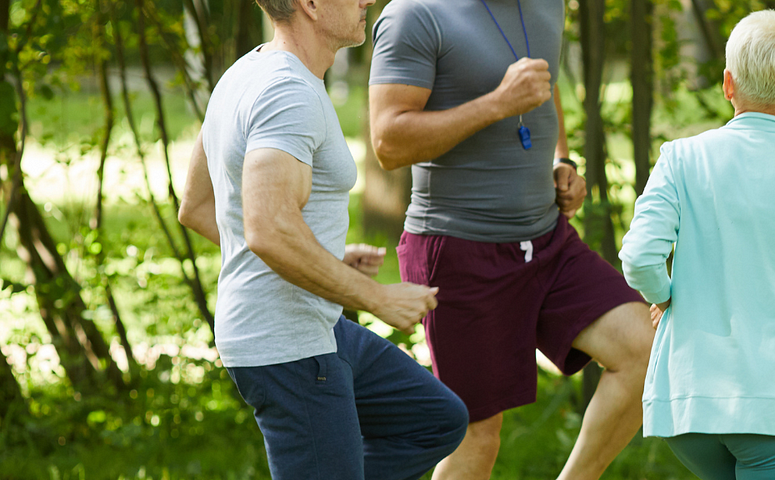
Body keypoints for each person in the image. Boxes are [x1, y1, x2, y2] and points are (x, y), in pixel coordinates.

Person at [176, 0, 469, 477]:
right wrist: (377, 298)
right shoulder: (287, 93)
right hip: (288, 346)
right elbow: (268, 228)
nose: (367, 1)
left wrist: (323, 258)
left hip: (315, 325)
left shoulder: (246, 72)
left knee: (434, 418)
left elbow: (198, 206)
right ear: (309, 4)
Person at [365, 0, 655, 478]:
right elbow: (389, 142)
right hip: (457, 248)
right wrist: (498, 104)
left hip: (547, 241)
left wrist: (563, 161)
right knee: (477, 435)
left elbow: (543, 83)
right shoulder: (413, 14)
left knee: (644, 351)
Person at [619, 11, 775, 480]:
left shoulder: (681, 158)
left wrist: (665, 295)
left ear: (727, 84)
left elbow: (639, 256)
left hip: (690, 402)